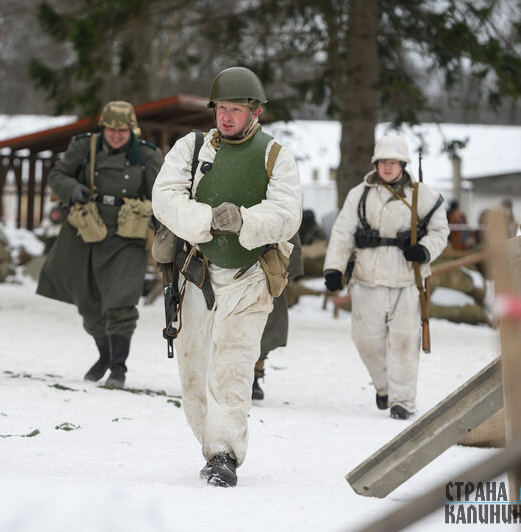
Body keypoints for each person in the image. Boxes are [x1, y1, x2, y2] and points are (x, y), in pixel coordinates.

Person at [152, 66, 301, 486]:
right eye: (222, 108)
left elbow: (288, 214)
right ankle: (209, 443)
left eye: (237, 109)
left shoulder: (276, 156)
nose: (227, 117)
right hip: (196, 270)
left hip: (250, 273)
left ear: (255, 111)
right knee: (194, 368)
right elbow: (165, 196)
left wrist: (245, 220)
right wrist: (205, 220)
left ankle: (224, 455)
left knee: (233, 366)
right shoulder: (192, 147)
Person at [36, 101, 163, 388]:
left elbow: (162, 196)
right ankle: (105, 355)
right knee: (88, 302)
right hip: (87, 232)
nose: (116, 135)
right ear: (103, 127)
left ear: (132, 128)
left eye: (123, 129)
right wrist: (71, 189)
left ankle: (119, 368)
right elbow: (57, 175)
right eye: (111, 128)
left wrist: (166, 236)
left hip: (128, 236)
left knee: (121, 301)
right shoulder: (84, 147)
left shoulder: (147, 155)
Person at [323, 135, 449, 420]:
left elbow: (441, 231)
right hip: (367, 277)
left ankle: (402, 401)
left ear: (403, 164)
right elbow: (343, 232)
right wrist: (334, 268)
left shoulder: (422, 195)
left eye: (393, 162)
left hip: (407, 280)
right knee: (366, 340)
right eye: (383, 162)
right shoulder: (360, 194)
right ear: (376, 164)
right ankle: (384, 388)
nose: (388, 167)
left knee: (404, 342)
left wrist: (425, 250)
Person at [253, 233, 303, 400]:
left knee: (268, 321)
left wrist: (289, 266)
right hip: (229, 260)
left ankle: (255, 372)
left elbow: (289, 225)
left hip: (268, 262)